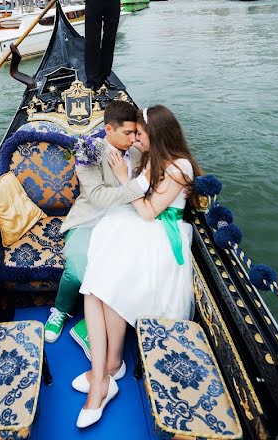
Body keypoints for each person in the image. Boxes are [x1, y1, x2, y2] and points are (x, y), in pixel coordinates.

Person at [75, 105, 201, 428]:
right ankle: (106, 372)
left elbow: (147, 212)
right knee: (93, 286)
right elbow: (140, 197)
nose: (135, 140)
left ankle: (106, 372)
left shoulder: (179, 166)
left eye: (140, 135)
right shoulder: (152, 160)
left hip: (161, 236)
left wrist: (122, 179)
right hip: (145, 228)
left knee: (110, 282)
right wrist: (130, 180)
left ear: (155, 136)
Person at [44, 101, 146, 346]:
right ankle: (60, 310)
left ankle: (99, 323)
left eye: (136, 132)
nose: (133, 139)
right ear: (109, 130)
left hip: (127, 222)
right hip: (90, 220)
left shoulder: (139, 150)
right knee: (78, 272)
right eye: (127, 133)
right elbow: (97, 197)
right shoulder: (88, 151)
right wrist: (136, 187)